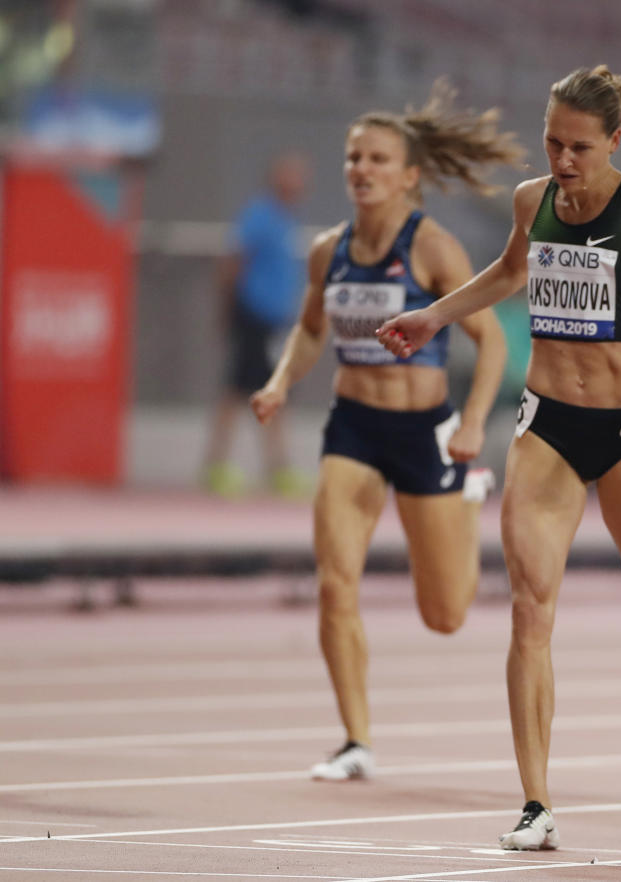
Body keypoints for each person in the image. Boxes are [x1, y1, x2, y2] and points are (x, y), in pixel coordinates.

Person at [377, 65, 621, 850]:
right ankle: (535, 801)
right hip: (547, 430)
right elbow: (507, 271)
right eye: (553, 143)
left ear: (614, 143)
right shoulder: (533, 201)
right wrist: (433, 316)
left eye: (581, 148)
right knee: (530, 610)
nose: (564, 161)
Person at [250, 81, 522, 781]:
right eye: (352, 158)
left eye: (376, 159)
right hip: (355, 429)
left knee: (446, 615)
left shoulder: (433, 248)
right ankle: (355, 739)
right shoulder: (327, 251)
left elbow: (490, 344)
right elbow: (311, 333)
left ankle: (467, 496)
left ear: (408, 176)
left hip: (426, 432)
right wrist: (282, 382)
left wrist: (470, 425)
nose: (361, 170)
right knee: (334, 584)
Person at [202, 151, 311, 498]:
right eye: (289, 175)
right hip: (253, 318)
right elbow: (234, 260)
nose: (296, 183)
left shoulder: (285, 220)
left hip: (276, 323)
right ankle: (216, 465)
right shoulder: (259, 216)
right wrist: (228, 311)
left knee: (276, 394)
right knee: (237, 390)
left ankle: (277, 467)